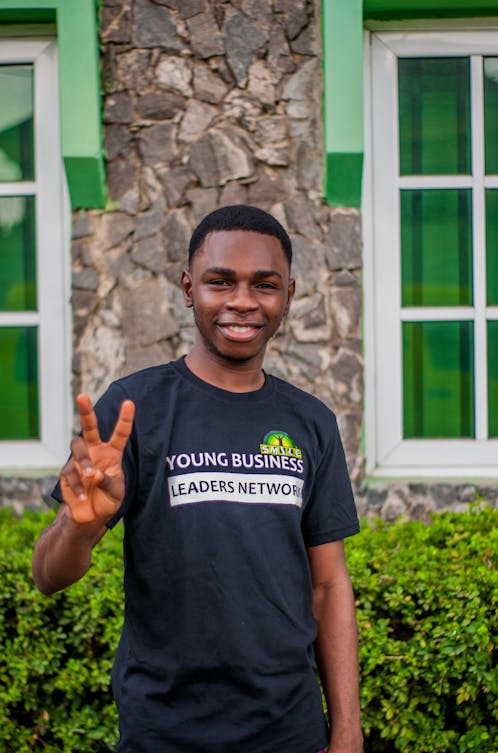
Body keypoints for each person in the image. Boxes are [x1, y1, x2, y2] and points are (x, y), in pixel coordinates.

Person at [32, 205, 363, 753]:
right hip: (164, 731)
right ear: (189, 288)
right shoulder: (135, 409)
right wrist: (78, 526)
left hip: (288, 731)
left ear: (289, 294)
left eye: (264, 284)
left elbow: (329, 585)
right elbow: (48, 576)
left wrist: (347, 730)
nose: (242, 301)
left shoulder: (311, 422)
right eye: (219, 281)